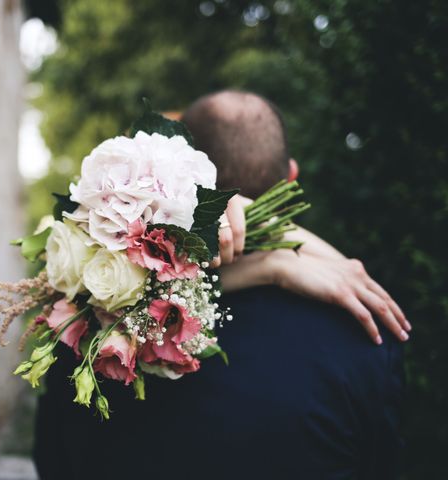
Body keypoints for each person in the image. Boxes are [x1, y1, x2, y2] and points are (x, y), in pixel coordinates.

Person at [33, 90, 406, 479]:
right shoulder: (368, 333)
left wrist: (274, 264)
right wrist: (276, 263)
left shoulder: (87, 334)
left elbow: (53, 463)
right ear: (291, 178)